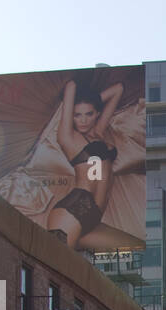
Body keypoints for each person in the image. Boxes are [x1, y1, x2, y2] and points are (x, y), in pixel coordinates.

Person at [47, 79, 124, 249]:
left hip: (94, 215)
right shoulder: (67, 137)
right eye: (77, 115)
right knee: (58, 267)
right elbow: (71, 86)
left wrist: (92, 101)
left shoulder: (98, 133)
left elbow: (118, 89)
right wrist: (84, 101)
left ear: (97, 114)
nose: (83, 120)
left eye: (88, 114)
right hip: (74, 209)